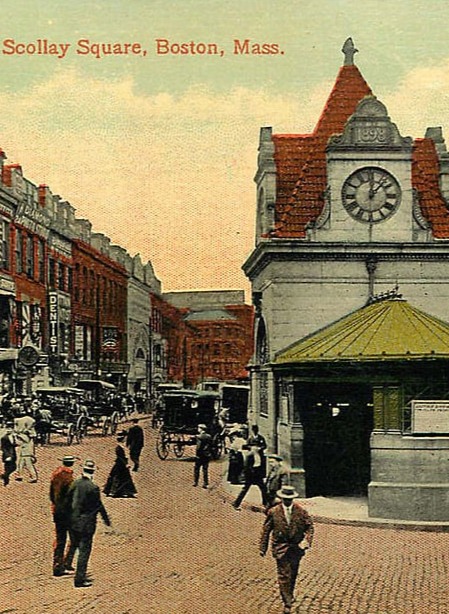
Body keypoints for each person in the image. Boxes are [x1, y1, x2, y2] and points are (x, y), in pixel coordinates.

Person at [259, 485, 314, 614]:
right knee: (284, 575)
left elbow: (309, 526)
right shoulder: (273, 512)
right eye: (286, 499)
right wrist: (263, 547)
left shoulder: (301, 511)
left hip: (296, 548)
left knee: (293, 573)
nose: (288, 501)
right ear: (282, 498)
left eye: (290, 499)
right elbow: (266, 530)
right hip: (280, 548)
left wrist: (307, 540)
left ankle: (289, 594)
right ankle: (287, 602)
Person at [65, 459, 111, 588]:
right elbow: (98, 505)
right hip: (86, 524)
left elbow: (67, 500)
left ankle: (66, 564)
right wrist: (106, 519)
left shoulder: (75, 483)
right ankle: (79, 579)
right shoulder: (93, 487)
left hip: (72, 522)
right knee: (84, 552)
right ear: (93, 472)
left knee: (74, 544)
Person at [49, 454, 76, 577]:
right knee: (73, 538)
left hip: (56, 511)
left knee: (60, 539)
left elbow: (51, 494)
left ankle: (59, 564)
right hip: (66, 512)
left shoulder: (55, 474)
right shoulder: (68, 476)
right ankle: (62, 564)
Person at [232, 442, 268, 509]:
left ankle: (265, 503)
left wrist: (261, 474)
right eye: (254, 447)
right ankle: (236, 503)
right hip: (251, 475)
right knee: (245, 489)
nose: (256, 448)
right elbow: (246, 467)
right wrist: (248, 475)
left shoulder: (260, 455)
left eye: (257, 447)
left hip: (257, 475)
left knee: (263, 489)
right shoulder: (249, 455)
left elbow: (262, 466)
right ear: (251, 448)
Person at [193, 423, 212, 489]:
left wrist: (197, 455)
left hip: (200, 455)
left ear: (200, 429)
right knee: (205, 469)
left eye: (198, 428)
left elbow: (199, 447)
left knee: (196, 468)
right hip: (207, 455)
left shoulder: (199, 437)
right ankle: (205, 483)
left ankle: (196, 482)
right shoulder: (209, 436)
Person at [0, 422, 17, 486]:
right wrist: (8, 455)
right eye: (8, 429)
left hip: (13, 454)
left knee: (13, 467)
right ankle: (5, 480)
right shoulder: (4, 438)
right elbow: (3, 447)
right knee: (9, 468)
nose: (9, 430)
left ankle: (4, 477)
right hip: (8, 455)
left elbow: (13, 445)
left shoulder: (12, 436)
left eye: (10, 429)